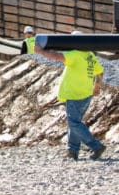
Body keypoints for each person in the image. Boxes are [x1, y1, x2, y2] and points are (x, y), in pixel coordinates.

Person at [34, 32, 106, 161]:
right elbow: (100, 72)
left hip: (75, 95)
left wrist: (40, 51)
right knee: (75, 123)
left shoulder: (75, 54)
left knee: (74, 123)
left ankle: (96, 146)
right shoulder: (89, 55)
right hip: (86, 94)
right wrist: (97, 87)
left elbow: (56, 56)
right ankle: (72, 151)